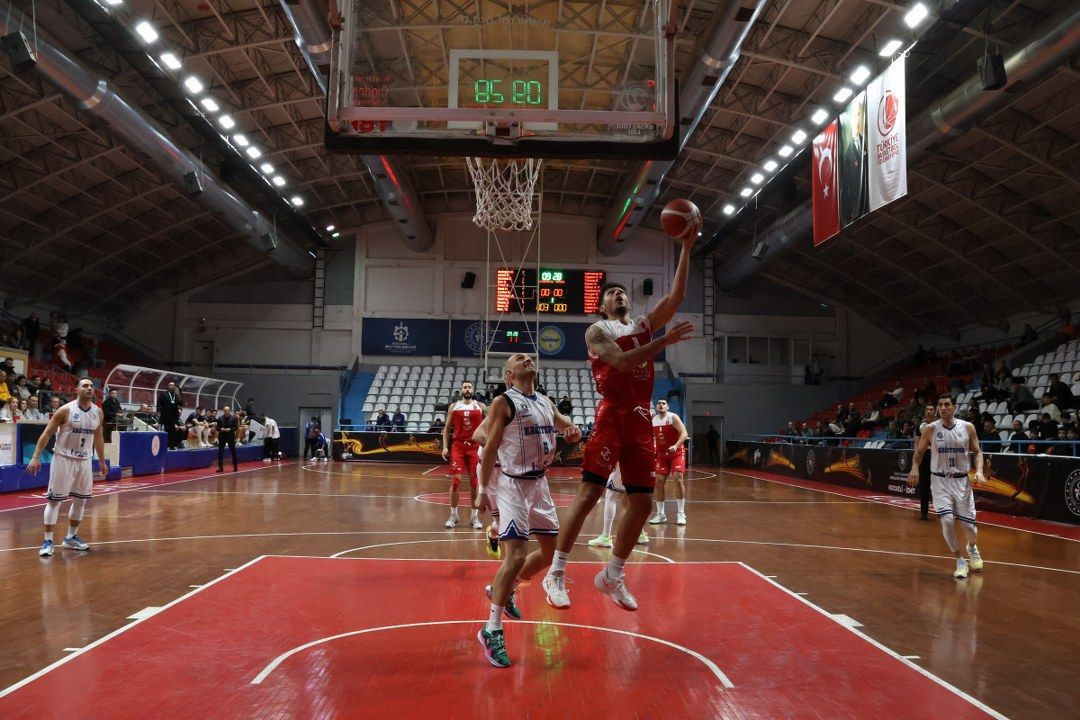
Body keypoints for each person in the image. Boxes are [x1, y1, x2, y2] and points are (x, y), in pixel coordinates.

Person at [542, 225, 696, 612]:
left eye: (621, 291)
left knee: (642, 504)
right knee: (590, 493)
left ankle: (612, 575)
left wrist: (687, 248)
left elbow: (675, 297)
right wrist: (665, 342)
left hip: (642, 419)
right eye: (611, 293)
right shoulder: (598, 331)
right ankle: (556, 572)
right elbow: (625, 361)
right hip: (612, 415)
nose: (618, 294)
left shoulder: (642, 325)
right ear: (603, 306)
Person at [474, 353, 580, 668]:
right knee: (516, 555)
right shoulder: (503, 401)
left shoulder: (545, 401)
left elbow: (566, 427)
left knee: (550, 552)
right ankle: (491, 628)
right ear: (509, 374)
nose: (527, 357)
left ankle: (501, 589)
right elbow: (488, 445)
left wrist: (571, 430)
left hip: (539, 484)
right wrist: (482, 490)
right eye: (519, 358)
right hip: (511, 485)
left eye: (529, 356)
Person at [907, 394, 985, 579]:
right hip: (940, 480)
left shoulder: (967, 427)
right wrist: (914, 467)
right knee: (947, 520)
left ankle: (972, 546)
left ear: (954, 408)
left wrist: (979, 470)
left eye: (947, 405)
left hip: (962, 481)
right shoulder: (930, 429)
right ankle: (959, 560)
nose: (943, 408)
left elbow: (977, 452)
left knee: (969, 528)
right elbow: (918, 452)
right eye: (940, 405)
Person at [27, 378, 107, 556]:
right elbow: (47, 433)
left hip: (85, 461)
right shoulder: (65, 410)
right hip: (63, 458)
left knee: (81, 501)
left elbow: (99, 437)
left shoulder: (98, 412)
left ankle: (71, 537)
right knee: (55, 501)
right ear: (77, 389)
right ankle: (47, 540)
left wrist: (101, 461)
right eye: (85, 386)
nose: (89, 388)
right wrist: (35, 456)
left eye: (91, 386)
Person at [442, 381, 486, 529]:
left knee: (475, 484)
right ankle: (453, 515)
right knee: (455, 482)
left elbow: (491, 425)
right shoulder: (453, 407)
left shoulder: (480, 407)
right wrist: (445, 447)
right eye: (465, 387)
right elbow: (447, 428)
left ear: (473, 390)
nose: (467, 389)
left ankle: (474, 517)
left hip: (475, 447)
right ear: (461, 390)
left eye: (469, 387)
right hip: (458, 447)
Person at [588, 465, 650, 548]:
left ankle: (605, 537)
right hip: (642, 461)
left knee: (611, 495)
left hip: (627, 460)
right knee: (628, 498)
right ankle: (639, 533)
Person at [649, 398, 689, 526]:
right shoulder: (653, 420)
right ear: (656, 406)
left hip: (676, 453)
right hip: (662, 455)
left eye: (663, 403)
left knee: (678, 478)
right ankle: (661, 514)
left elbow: (684, 433)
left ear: (667, 407)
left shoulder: (673, 417)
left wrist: (676, 445)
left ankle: (681, 513)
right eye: (659, 403)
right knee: (659, 481)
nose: (661, 405)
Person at [916, 403, 935, 520]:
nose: (929, 411)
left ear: (935, 411)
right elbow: (917, 442)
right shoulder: (920, 426)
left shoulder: (940, 425)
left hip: (938, 456)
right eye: (927, 409)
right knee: (924, 484)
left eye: (931, 409)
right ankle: (924, 512)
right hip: (925, 455)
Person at [156, 381, 183, 450]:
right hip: (165, 415)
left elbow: (181, 404)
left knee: (173, 431)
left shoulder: (176, 395)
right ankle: (163, 445)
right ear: (167, 386)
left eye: (173, 385)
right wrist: (159, 411)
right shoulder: (163, 394)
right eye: (170, 385)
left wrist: (179, 396)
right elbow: (159, 403)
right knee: (165, 431)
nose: (172, 386)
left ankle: (172, 445)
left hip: (173, 416)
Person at [215, 406, 239, 472]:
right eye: (225, 410)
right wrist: (220, 429)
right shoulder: (220, 418)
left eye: (228, 410)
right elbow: (217, 427)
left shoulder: (234, 418)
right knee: (220, 452)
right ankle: (220, 467)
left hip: (230, 436)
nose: (227, 412)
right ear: (223, 411)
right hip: (222, 436)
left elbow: (236, 427)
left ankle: (235, 466)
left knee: (233, 452)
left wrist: (230, 429)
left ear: (230, 410)